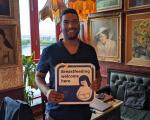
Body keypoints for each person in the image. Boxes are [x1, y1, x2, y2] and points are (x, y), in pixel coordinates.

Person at [35, 8, 102, 120]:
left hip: (83, 115)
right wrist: (46, 91)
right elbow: (38, 76)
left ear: (79, 24)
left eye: (75, 21)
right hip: (55, 115)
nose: (71, 26)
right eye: (66, 22)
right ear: (60, 25)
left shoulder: (90, 51)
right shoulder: (49, 51)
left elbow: (98, 75)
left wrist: (97, 83)